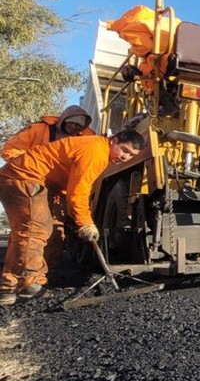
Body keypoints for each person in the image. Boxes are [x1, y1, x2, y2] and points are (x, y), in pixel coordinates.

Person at [0, 129, 145, 306]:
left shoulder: (99, 151)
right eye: (124, 150)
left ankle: (27, 282)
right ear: (113, 141)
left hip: (43, 183)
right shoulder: (96, 151)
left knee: (48, 231)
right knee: (34, 230)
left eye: (131, 155)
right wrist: (85, 223)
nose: (125, 157)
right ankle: (18, 285)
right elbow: (78, 192)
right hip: (24, 176)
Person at [1, 105, 97, 269]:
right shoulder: (37, 130)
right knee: (30, 229)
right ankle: (20, 274)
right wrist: (33, 167)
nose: (75, 127)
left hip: (57, 190)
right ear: (64, 119)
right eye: (72, 123)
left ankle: (47, 272)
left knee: (54, 230)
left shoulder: (85, 140)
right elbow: (10, 150)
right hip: (31, 182)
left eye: (79, 125)